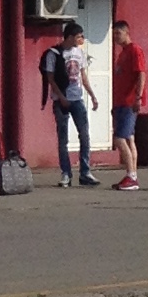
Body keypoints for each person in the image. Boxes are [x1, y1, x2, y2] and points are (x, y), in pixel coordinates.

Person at [40, 18, 100, 186]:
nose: (82, 39)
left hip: (77, 99)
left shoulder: (79, 53)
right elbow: (51, 79)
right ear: (71, 37)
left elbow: (83, 76)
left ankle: (85, 172)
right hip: (61, 101)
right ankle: (66, 173)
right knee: (63, 138)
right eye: (79, 36)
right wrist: (61, 97)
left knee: (84, 135)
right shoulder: (54, 54)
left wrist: (92, 95)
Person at [108, 16, 146, 189]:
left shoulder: (134, 50)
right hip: (121, 102)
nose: (116, 37)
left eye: (118, 33)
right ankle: (132, 174)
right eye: (114, 34)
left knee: (119, 138)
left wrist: (138, 97)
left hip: (129, 102)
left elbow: (141, 74)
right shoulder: (122, 53)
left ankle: (131, 177)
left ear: (127, 32)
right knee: (129, 138)